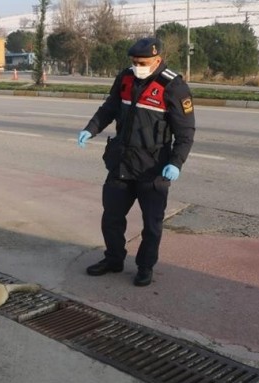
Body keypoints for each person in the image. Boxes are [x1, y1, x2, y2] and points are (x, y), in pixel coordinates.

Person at [77, 37, 195, 287]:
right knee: (111, 217)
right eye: (133, 62)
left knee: (151, 224)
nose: (137, 66)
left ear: (157, 59)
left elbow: (185, 133)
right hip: (122, 163)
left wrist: (176, 162)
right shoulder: (126, 78)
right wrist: (92, 128)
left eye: (142, 62)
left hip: (153, 168)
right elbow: (109, 107)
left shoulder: (173, 86)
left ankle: (145, 267)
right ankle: (114, 259)